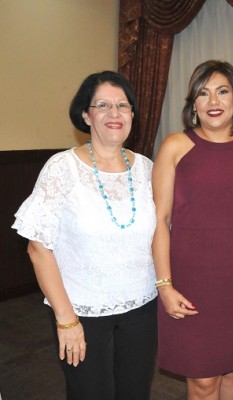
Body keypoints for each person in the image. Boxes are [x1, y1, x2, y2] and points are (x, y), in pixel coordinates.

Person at [11, 71, 158, 399]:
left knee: (135, 393)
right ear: (85, 114)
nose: (115, 113)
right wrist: (66, 320)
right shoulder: (61, 168)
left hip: (142, 308)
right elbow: (38, 247)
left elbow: (166, 232)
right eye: (103, 105)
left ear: (133, 114)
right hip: (82, 312)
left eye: (123, 105)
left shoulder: (148, 169)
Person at [152, 60, 233, 400]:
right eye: (204, 93)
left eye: (222, 91)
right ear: (194, 104)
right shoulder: (175, 146)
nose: (214, 102)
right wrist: (164, 285)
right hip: (191, 279)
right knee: (202, 383)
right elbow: (159, 221)